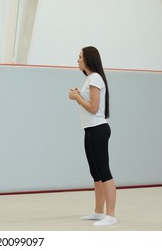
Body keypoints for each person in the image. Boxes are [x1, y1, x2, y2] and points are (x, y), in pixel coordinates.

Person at [68, 46, 117, 226]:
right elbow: (90, 104)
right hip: (90, 129)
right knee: (95, 173)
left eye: (80, 57)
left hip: (98, 129)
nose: (77, 60)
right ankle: (98, 211)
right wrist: (80, 95)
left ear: (88, 59)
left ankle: (110, 215)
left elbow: (94, 108)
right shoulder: (90, 79)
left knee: (104, 172)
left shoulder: (95, 77)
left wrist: (76, 97)